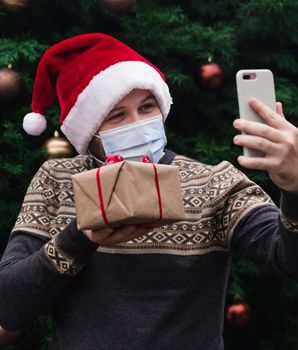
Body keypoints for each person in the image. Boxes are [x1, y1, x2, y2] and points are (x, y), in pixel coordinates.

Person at [0, 32, 298, 350]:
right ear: (89, 131)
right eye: (117, 115)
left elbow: (287, 260)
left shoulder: (213, 184)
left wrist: (294, 189)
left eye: (147, 107)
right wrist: (81, 237)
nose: (138, 123)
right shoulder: (59, 181)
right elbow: (9, 302)